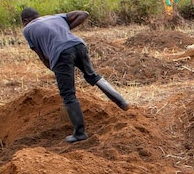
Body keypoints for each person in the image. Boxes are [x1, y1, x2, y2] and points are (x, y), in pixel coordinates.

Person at [20, 8, 130, 143]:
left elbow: (41, 54)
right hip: (79, 45)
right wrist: (65, 29)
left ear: (25, 21)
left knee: (68, 94)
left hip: (61, 53)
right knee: (93, 76)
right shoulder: (55, 17)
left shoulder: (27, 29)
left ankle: (80, 133)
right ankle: (122, 103)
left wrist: (53, 68)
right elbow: (84, 14)